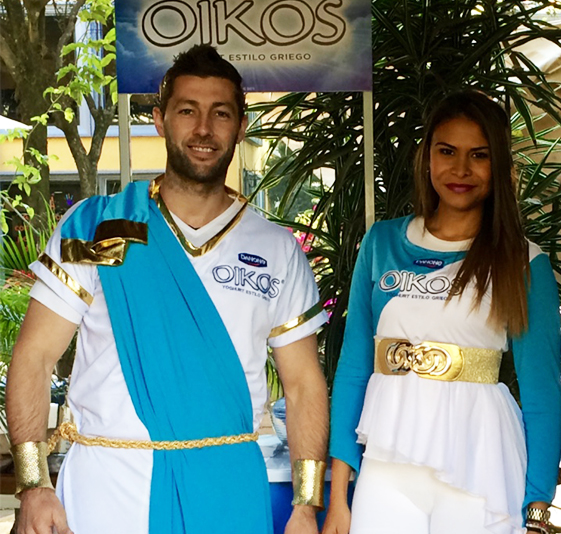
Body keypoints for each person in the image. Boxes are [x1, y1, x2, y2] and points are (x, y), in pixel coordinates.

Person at [7, 44, 329, 534]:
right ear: (159, 120)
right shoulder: (100, 226)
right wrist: (33, 484)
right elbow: (34, 356)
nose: (203, 129)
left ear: (241, 127)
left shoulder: (276, 248)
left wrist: (305, 506)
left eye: (221, 113)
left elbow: (304, 384)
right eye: (187, 111)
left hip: (227, 487)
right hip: (108, 487)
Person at [323, 90, 561, 534]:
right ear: (426, 156)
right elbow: (354, 368)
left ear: (499, 164)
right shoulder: (381, 243)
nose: (461, 169)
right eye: (447, 151)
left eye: (479, 155)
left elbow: (541, 394)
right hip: (387, 464)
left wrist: (537, 512)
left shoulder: (523, 262)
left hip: (481, 466)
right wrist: (339, 498)